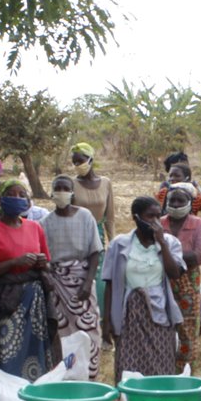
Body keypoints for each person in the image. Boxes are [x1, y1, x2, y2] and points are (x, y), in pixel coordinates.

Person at [0, 182, 55, 383]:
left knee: (35, 346)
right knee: (6, 346)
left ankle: (34, 387)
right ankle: (7, 390)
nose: (17, 198)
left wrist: (42, 263)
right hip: (6, 299)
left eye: (21, 194)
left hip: (34, 299)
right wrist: (13, 263)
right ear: (1, 199)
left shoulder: (35, 227)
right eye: (11, 194)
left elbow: (48, 265)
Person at [102, 197, 185, 381]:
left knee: (161, 365)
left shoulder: (170, 242)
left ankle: (159, 398)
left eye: (158, 216)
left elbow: (174, 273)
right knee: (128, 368)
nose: (155, 222)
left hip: (159, 312)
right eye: (150, 216)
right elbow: (110, 283)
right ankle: (129, 400)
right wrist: (106, 321)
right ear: (136, 217)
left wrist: (162, 243)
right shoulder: (119, 244)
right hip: (129, 314)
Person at [42, 175, 102, 380]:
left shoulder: (85, 216)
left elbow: (95, 252)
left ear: (72, 192)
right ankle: (65, 376)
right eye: (57, 188)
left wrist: (88, 282)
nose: (61, 192)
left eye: (65, 188)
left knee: (89, 328)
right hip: (56, 283)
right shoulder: (45, 222)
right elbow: (44, 258)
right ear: (52, 193)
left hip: (81, 279)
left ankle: (89, 375)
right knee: (60, 332)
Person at [162, 184, 201, 372]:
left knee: (187, 328)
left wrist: (169, 256)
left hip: (188, 282)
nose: (175, 204)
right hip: (163, 280)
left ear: (190, 203)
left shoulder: (197, 224)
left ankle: (185, 372)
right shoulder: (160, 223)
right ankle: (164, 369)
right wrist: (183, 256)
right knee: (163, 326)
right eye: (172, 200)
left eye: (180, 201)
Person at [70, 141, 116, 330]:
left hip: (98, 234)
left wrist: (113, 242)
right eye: (74, 162)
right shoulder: (72, 184)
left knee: (99, 279)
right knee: (79, 276)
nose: (77, 165)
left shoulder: (105, 183)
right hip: (77, 235)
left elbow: (110, 217)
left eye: (80, 161)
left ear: (90, 159)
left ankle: (101, 322)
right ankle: (81, 322)